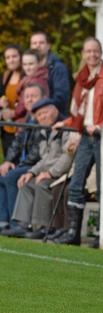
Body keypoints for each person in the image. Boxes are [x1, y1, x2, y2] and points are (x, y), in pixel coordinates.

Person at [53, 37, 103, 246]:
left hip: (102, 137)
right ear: (84, 54)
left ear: (101, 53)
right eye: (88, 51)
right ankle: (73, 232)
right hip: (85, 136)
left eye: (96, 51)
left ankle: (101, 234)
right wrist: (64, 122)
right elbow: (79, 113)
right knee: (76, 184)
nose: (92, 55)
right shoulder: (81, 78)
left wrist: (101, 125)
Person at [2, 98, 76, 239]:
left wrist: (49, 173)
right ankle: (21, 224)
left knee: (41, 185)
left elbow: (67, 157)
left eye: (45, 112)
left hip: (66, 172)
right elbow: (45, 159)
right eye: (39, 115)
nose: (43, 117)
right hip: (52, 171)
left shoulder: (65, 128)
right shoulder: (45, 131)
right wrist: (31, 172)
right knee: (26, 182)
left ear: (54, 110)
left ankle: (42, 226)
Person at [0, 83, 46, 231]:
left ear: (43, 98)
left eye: (34, 96)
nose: (30, 99)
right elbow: (16, 144)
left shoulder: (43, 119)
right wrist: (7, 161)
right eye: (27, 97)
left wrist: (19, 165)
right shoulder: (28, 120)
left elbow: (38, 153)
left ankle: (18, 223)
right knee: (3, 173)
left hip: (37, 166)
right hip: (25, 164)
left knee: (12, 176)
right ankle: (3, 220)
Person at [30, 31, 71, 116]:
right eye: (34, 43)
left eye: (41, 43)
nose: (38, 46)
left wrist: (38, 106)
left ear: (48, 46)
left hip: (53, 118)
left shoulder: (58, 68)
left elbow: (61, 98)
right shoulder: (29, 68)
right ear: (31, 47)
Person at [12, 49, 50, 121]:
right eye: (24, 64)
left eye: (31, 64)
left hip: (32, 121)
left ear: (39, 63)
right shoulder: (27, 79)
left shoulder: (37, 81)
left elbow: (24, 105)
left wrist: (13, 113)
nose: (27, 68)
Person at [0, 44, 23, 156]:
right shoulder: (6, 76)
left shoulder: (26, 76)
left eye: (14, 56)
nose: (11, 60)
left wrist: (14, 112)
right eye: (8, 57)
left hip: (21, 127)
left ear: (21, 57)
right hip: (7, 128)